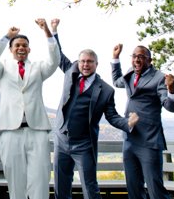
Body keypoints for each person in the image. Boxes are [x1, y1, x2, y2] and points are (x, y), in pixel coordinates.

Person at [49, 18, 138, 199]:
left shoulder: (106, 90)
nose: (85, 64)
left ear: (96, 64)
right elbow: (57, 55)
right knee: (61, 185)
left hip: (84, 144)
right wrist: (54, 30)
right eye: (82, 61)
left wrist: (127, 123)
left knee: (90, 187)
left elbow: (112, 116)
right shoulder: (70, 72)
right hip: (62, 140)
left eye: (90, 61)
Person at [0, 15, 60, 199]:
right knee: (15, 181)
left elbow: (55, 60)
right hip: (11, 130)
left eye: (24, 45)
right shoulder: (2, 68)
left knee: (40, 179)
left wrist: (46, 31)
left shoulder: (39, 67)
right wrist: (6, 36)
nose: (21, 48)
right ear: (10, 49)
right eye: (17, 45)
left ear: (29, 49)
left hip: (37, 130)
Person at [111, 43, 174, 199]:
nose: (136, 60)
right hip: (129, 139)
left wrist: (171, 90)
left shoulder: (158, 78)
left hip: (149, 141)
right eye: (134, 56)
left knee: (155, 189)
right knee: (134, 188)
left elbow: (171, 106)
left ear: (150, 60)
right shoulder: (130, 73)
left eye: (141, 57)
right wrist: (115, 58)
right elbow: (117, 82)